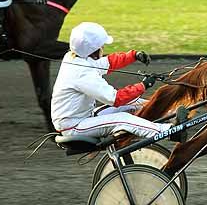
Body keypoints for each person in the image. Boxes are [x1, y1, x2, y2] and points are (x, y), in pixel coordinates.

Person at [51, 22, 187, 142]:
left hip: (85, 116)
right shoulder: (81, 73)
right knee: (122, 119)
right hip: (74, 126)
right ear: (93, 50)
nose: (103, 48)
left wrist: (133, 56)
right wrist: (143, 85)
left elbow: (107, 63)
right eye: (101, 46)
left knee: (136, 102)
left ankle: (170, 114)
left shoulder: (76, 58)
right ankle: (169, 132)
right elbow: (115, 99)